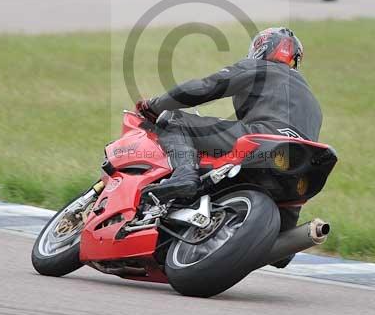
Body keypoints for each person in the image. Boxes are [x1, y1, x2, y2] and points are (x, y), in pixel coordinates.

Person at [135, 27, 323, 265]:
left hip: (263, 139)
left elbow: (204, 87)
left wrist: (155, 105)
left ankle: (184, 175)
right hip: (301, 163)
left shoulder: (258, 67)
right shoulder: (313, 102)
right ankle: (287, 241)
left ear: (260, 49)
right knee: (281, 257)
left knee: (174, 120)